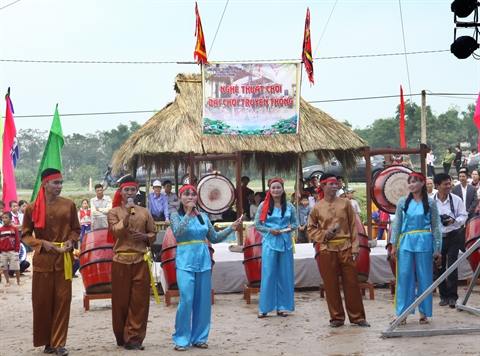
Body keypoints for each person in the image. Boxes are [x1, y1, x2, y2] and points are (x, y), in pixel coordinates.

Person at [170, 184, 242, 351]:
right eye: (186, 194)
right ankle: (181, 338)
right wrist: (188, 214)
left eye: (193, 194)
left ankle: (200, 337)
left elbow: (214, 238)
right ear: (181, 198)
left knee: (203, 301)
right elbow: (178, 233)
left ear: (197, 198)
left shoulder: (203, 216)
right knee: (186, 299)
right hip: (185, 260)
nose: (190, 197)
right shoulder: (176, 215)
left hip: (203, 261)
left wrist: (231, 228)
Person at [22, 168, 80, 356]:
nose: (59, 186)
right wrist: (42, 243)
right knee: (42, 302)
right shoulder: (32, 208)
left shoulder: (69, 205)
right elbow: (25, 235)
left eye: (61, 183)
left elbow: (76, 229)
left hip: (64, 259)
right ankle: (47, 342)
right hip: (43, 261)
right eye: (56, 183)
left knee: (63, 301)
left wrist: (71, 241)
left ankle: (59, 343)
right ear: (45, 184)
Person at [307, 174, 369, 328]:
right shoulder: (317, 207)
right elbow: (310, 228)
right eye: (331, 184)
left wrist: (355, 247)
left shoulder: (346, 203)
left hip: (346, 246)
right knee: (331, 284)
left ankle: (357, 317)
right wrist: (323, 234)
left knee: (352, 283)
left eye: (336, 184)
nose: (335, 186)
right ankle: (336, 318)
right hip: (327, 249)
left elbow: (353, 226)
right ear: (322, 185)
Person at [107, 176, 156, 350]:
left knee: (139, 301)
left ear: (137, 192)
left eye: (133, 190)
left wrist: (145, 237)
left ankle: (134, 338)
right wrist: (127, 213)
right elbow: (116, 232)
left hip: (140, 260)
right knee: (120, 301)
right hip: (121, 260)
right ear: (120, 192)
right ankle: (121, 336)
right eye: (126, 190)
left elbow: (153, 234)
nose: (129, 193)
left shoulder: (144, 212)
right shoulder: (114, 212)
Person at [390, 172, 442, 324]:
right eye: (410, 182)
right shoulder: (402, 202)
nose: (412, 184)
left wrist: (437, 247)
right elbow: (397, 224)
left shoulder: (430, 202)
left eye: (415, 181)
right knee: (404, 277)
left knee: (424, 276)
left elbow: (436, 226)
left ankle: (423, 312)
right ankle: (402, 313)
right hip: (406, 241)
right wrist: (393, 245)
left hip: (424, 241)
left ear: (422, 184)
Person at [254, 177, 298, 318]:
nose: (276, 190)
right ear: (269, 190)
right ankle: (264, 307)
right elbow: (258, 225)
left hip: (285, 243)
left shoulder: (290, 206)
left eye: (278, 187)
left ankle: (283, 307)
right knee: (268, 274)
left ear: (283, 189)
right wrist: (269, 230)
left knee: (285, 274)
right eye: (273, 188)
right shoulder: (263, 206)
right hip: (270, 242)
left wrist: (289, 228)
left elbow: (296, 224)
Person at [433, 173, 468, 308]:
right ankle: (444, 296)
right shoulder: (431, 201)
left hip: (454, 235)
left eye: (449, 183)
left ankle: (453, 297)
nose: (449, 186)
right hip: (438, 238)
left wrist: (454, 221)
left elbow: (464, 215)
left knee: (453, 266)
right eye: (445, 184)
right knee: (439, 266)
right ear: (437, 186)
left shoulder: (456, 200)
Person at [0, 211, 21, 285]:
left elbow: (17, 240)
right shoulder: (0, 229)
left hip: (13, 251)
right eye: (3, 218)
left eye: (6, 218)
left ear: (10, 219)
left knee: (16, 267)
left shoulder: (14, 229)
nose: (4, 219)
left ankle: (18, 281)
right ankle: (7, 281)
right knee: (4, 268)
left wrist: (16, 250)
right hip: (3, 252)